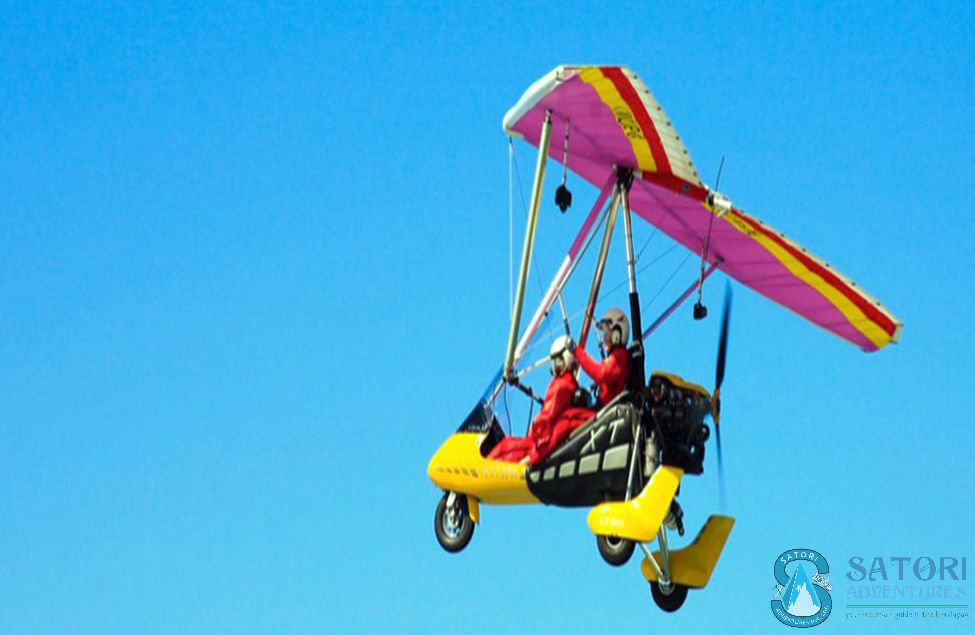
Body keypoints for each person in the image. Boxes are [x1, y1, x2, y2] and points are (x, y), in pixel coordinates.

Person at [487, 336, 592, 464]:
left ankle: (482, 468)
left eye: (558, 362)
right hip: (544, 442)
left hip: (539, 444)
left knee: (506, 446)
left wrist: (533, 439)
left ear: (566, 361)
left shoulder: (561, 385)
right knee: (508, 443)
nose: (555, 366)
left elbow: (545, 420)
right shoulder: (570, 385)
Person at [575, 308, 630, 408]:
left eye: (607, 334)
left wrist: (577, 352)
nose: (604, 338)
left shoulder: (619, 356)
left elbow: (600, 373)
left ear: (617, 335)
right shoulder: (617, 356)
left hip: (607, 412)